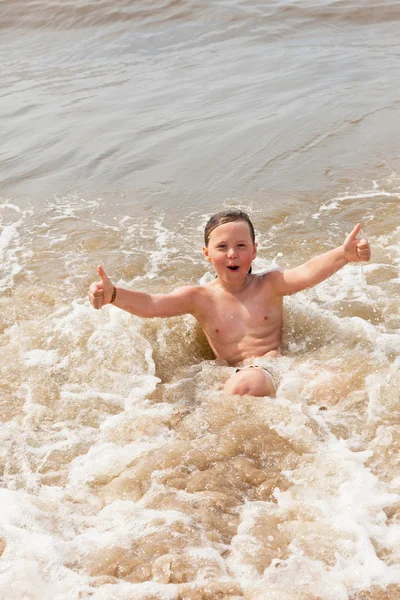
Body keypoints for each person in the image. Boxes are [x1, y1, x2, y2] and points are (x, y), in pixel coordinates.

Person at [87, 210, 371, 397]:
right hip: (238, 376)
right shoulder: (201, 298)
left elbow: (307, 272)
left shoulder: (269, 284)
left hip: (281, 368)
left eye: (241, 246)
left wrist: (344, 255)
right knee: (247, 383)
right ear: (207, 254)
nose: (232, 254)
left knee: (344, 380)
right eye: (222, 247)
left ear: (254, 251)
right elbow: (152, 304)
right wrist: (114, 295)